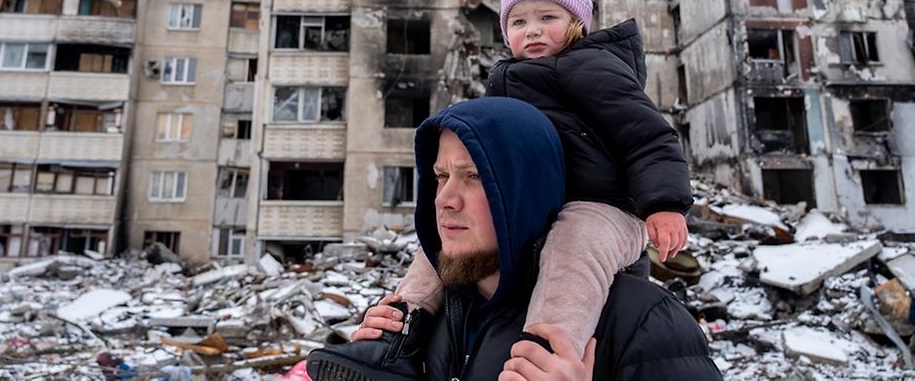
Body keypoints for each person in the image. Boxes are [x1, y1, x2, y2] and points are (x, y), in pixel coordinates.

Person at [306, 97, 721, 380]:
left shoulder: (644, 322)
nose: (445, 200)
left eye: (474, 177)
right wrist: (390, 366)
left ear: (527, 190)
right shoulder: (430, 320)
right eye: (440, 177)